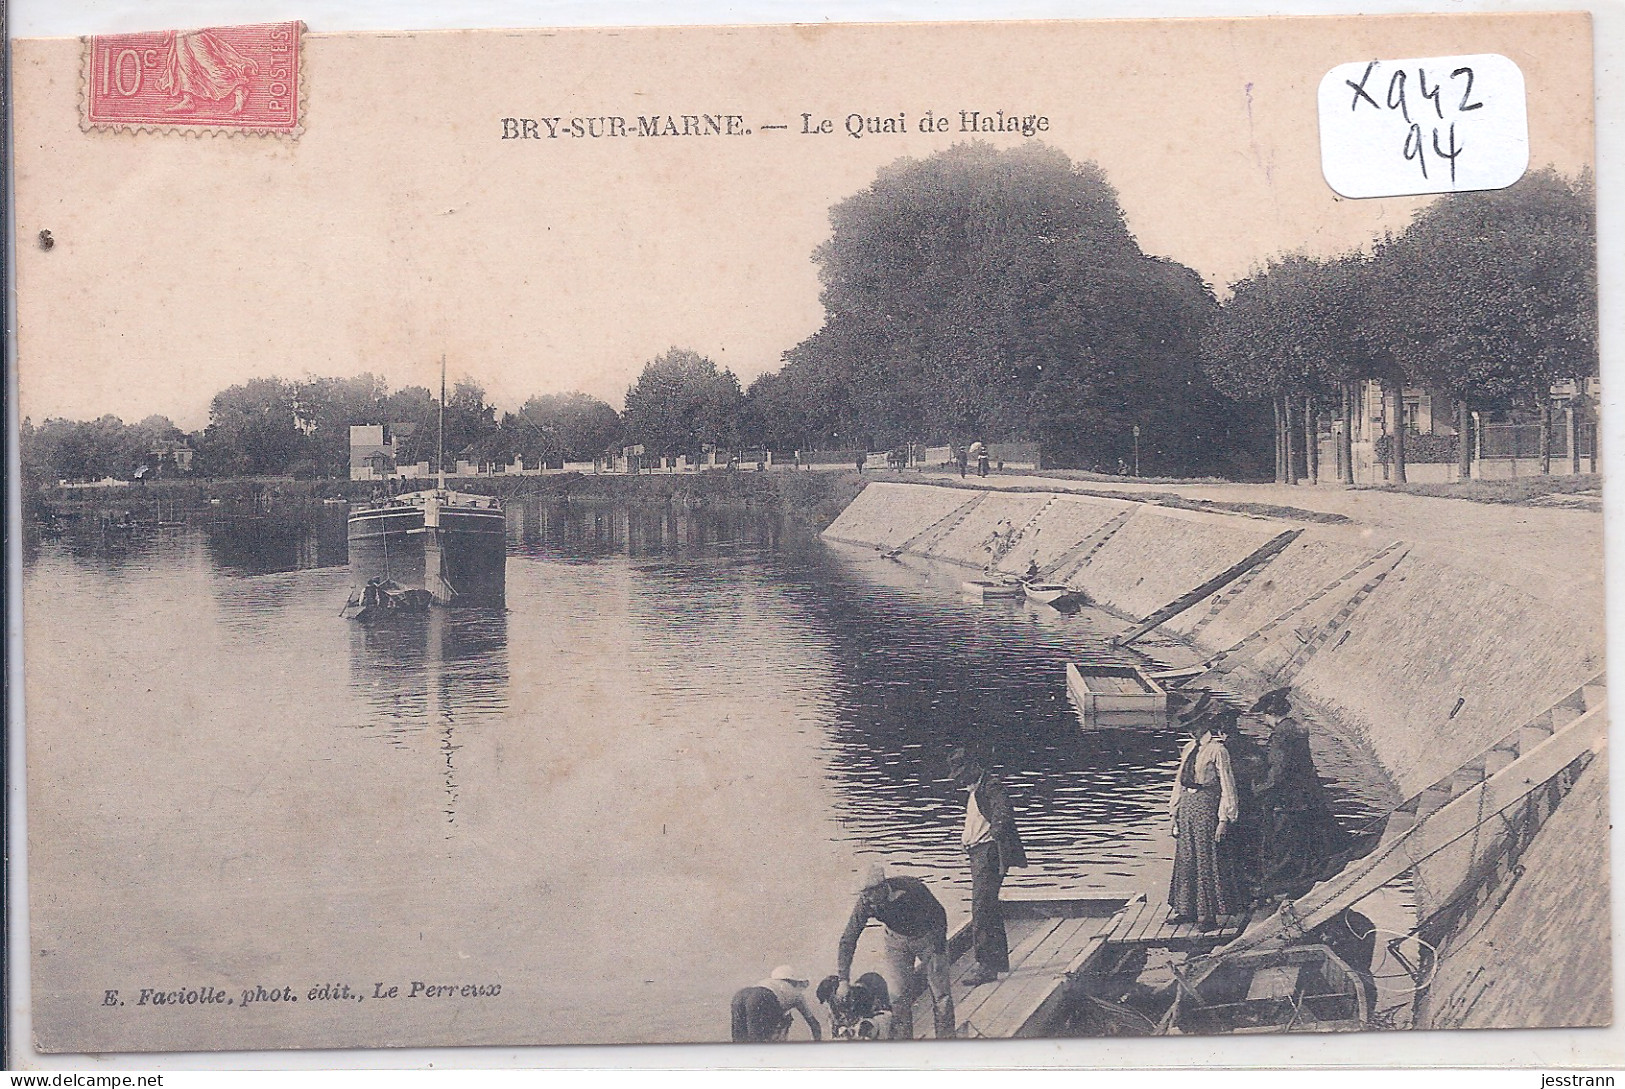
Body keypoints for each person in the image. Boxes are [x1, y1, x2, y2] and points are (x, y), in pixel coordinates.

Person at [1250, 687, 1350, 904]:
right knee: (1303, 842)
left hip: (1288, 799)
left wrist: (1259, 789)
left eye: (1264, 716)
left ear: (1270, 714)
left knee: (1283, 841)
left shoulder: (1280, 736)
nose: (1264, 721)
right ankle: (1300, 883)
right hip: (1305, 796)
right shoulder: (1296, 728)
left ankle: (1279, 886)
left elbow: (1279, 771)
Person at [835, 864, 955, 1039]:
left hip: (927, 938)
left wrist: (938, 951)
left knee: (941, 995)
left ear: (882, 887)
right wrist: (843, 980)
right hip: (895, 942)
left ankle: (946, 1043)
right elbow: (848, 939)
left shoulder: (912, 888)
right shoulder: (864, 903)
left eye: (869, 893)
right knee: (897, 997)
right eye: (863, 894)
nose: (865, 899)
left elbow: (939, 915)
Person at [947, 749, 1028, 986]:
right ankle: (996, 963)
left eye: (962, 773)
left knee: (981, 909)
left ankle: (986, 967)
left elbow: (1004, 813)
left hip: (987, 854)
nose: (960, 779)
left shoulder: (991, 786)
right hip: (977, 854)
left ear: (974, 766)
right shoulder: (975, 789)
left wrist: (994, 837)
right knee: (988, 907)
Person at [1168, 708, 1243, 929]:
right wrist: (1174, 813)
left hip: (1207, 807)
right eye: (1189, 727)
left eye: (1195, 726)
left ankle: (1206, 914)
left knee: (1205, 858)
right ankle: (1186, 909)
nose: (1192, 730)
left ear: (1204, 725)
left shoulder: (1218, 750)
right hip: (1188, 807)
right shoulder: (1189, 748)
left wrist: (1224, 819)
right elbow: (1179, 782)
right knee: (1186, 857)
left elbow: (1228, 786)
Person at [729, 964, 823, 1042]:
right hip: (763, 997)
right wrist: (817, 1042)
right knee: (759, 1041)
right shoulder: (796, 994)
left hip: (741, 994)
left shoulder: (767, 982)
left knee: (739, 1039)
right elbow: (813, 1023)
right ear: (793, 981)